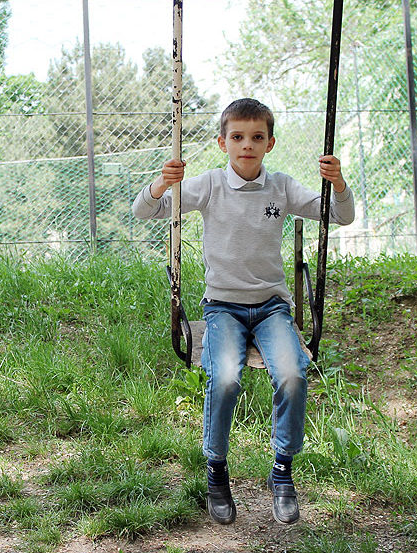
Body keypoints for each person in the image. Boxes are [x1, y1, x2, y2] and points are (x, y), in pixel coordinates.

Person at [132, 98, 354, 525]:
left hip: (272, 308)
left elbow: (338, 215)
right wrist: (162, 183)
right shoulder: (210, 185)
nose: (246, 145)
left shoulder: (282, 187)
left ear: (270, 143)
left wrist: (338, 184)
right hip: (223, 308)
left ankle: (282, 472)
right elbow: (146, 210)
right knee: (225, 378)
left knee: (292, 374)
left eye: (256, 137)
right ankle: (216, 471)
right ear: (223, 143)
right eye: (237, 137)